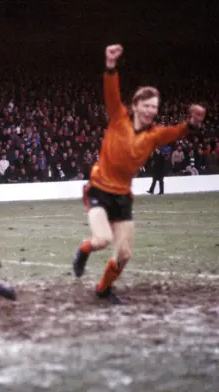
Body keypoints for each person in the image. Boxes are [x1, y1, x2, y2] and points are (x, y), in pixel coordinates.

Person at [72, 44, 206, 304]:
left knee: (124, 254)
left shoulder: (155, 135)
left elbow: (178, 131)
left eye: (154, 107)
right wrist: (110, 65)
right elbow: (111, 91)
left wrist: (194, 123)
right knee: (101, 240)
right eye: (146, 105)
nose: (150, 111)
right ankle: (84, 250)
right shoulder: (117, 117)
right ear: (134, 105)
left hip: (122, 197)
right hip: (99, 189)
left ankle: (103, 290)